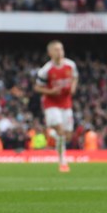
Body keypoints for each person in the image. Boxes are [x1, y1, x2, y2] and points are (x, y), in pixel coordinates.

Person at [34, 40, 78, 173]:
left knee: (68, 135)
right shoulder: (46, 70)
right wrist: (51, 92)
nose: (60, 52)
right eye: (56, 50)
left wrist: (73, 88)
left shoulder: (70, 65)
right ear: (50, 53)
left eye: (61, 49)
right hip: (51, 103)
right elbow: (37, 87)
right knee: (60, 130)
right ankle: (63, 162)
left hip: (66, 103)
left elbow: (75, 77)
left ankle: (51, 132)